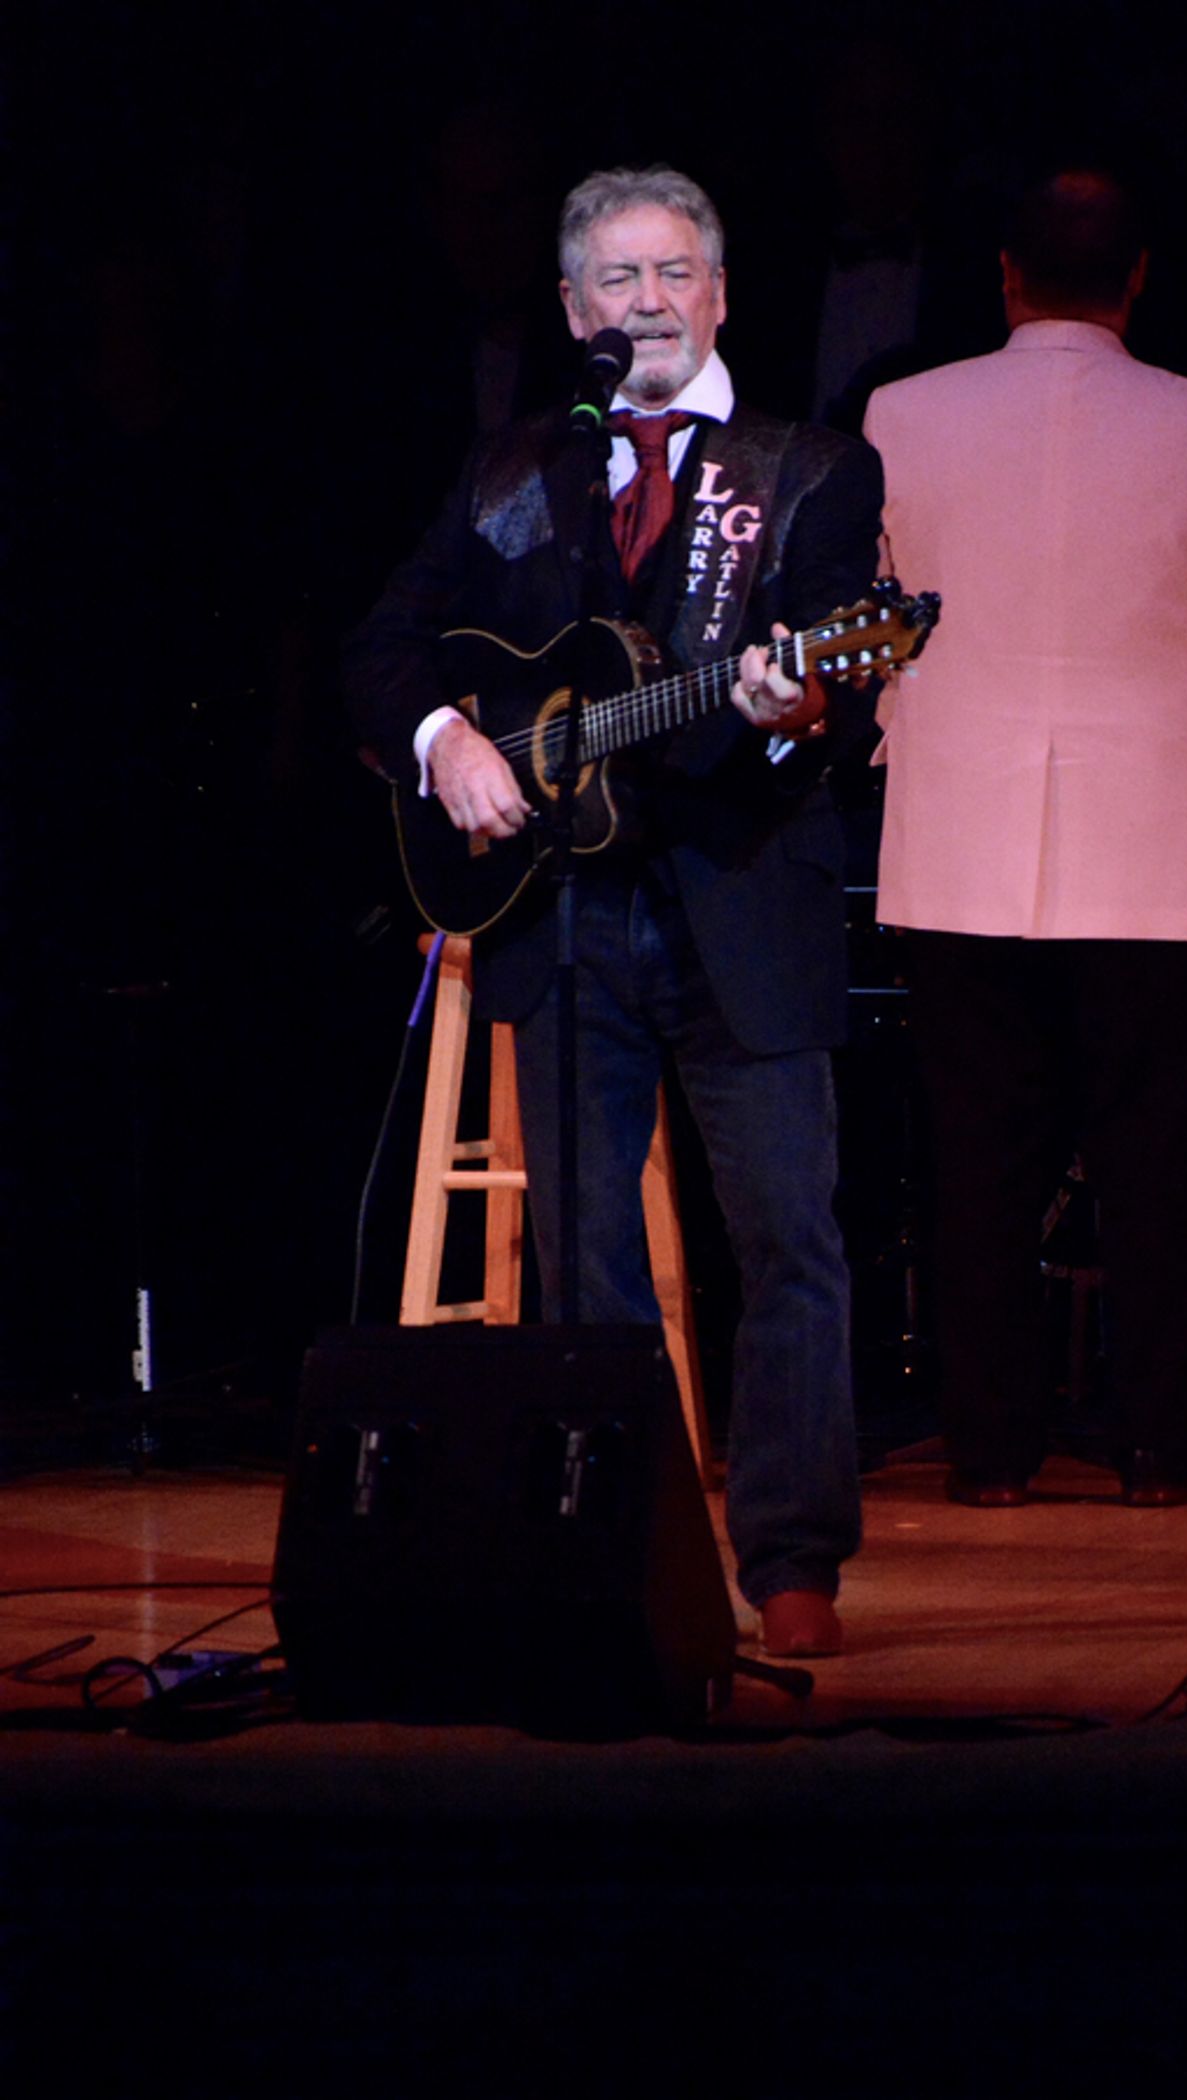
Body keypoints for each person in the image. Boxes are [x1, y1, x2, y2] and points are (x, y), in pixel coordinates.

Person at [345, 165, 884, 1654]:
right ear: (574, 308)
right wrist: (448, 745)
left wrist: (794, 704)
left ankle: (792, 1563)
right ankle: (624, 1555)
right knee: (582, 1260)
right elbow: (382, 650)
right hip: (558, 915)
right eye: (616, 281)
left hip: (744, 897)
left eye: (672, 275)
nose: (646, 304)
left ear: (718, 294)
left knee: (786, 1235)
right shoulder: (514, 471)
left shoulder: (813, 468)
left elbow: (831, 693)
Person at [863, 165, 1187, 1508]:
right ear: (1139, 279)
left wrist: (918, 728)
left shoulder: (903, 413)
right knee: (1157, 1162)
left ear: (1005, 274)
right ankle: (1163, 1450)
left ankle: (991, 1451)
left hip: (957, 839)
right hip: (1156, 861)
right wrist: (1182, 749)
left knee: (979, 1164)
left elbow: (867, 624)